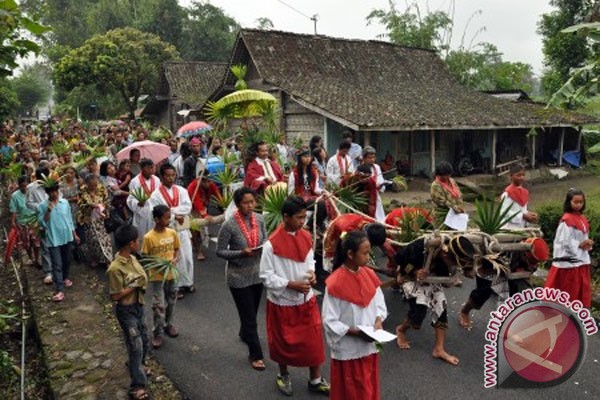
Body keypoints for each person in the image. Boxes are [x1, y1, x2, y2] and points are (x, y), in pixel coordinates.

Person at [259, 196, 330, 396]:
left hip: (306, 299)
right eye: (299, 218)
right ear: (286, 217)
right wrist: (290, 285)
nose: (303, 221)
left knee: (314, 340)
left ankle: (315, 379)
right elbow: (266, 276)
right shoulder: (271, 245)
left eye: (304, 217)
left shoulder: (306, 236)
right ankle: (283, 375)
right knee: (283, 341)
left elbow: (309, 262)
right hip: (282, 302)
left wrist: (312, 274)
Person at [322, 231, 387, 400]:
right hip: (349, 349)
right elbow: (329, 320)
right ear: (350, 254)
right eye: (365, 253)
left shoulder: (369, 274)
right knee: (352, 392)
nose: (368, 257)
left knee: (367, 387)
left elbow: (379, 305)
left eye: (369, 252)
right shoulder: (335, 283)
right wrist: (356, 332)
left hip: (368, 347)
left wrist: (379, 320)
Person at [216, 187, 267, 371]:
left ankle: (245, 333)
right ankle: (255, 354)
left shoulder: (260, 219)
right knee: (249, 316)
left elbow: (266, 240)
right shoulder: (229, 225)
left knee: (251, 312)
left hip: (257, 273)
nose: (250, 206)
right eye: (246, 203)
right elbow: (220, 251)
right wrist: (240, 253)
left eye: (253, 202)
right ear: (238, 205)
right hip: (238, 277)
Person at [393, 238, 462, 366]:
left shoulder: (450, 257)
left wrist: (448, 280)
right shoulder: (420, 246)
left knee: (441, 307)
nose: (451, 263)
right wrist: (414, 271)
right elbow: (399, 258)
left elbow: (447, 276)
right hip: (411, 279)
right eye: (450, 260)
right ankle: (401, 330)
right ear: (444, 253)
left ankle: (439, 349)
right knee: (418, 315)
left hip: (431, 280)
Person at [107, 225, 150, 400]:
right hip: (127, 311)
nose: (138, 242)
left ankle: (137, 365)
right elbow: (116, 295)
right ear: (130, 243)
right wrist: (135, 286)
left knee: (144, 340)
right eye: (136, 240)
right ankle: (137, 386)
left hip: (138, 306)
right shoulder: (115, 269)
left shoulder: (133, 259)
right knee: (136, 345)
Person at [149, 164, 195, 295]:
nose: (171, 178)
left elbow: (187, 207)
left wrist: (171, 211)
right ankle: (176, 286)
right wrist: (175, 215)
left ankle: (188, 282)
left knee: (186, 256)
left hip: (182, 228)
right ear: (162, 177)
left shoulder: (181, 190)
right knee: (173, 258)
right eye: (168, 175)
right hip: (167, 230)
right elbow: (157, 211)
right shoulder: (155, 195)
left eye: (173, 175)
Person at [545, 188, 593, 308]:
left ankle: (577, 312)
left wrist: (587, 244)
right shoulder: (566, 220)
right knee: (568, 290)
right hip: (569, 260)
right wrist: (579, 244)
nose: (578, 205)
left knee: (579, 289)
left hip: (580, 258)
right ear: (569, 202)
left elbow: (583, 236)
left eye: (581, 202)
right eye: (575, 202)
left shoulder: (582, 218)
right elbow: (564, 241)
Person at [142, 205, 181, 349]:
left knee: (172, 300)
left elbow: (176, 249)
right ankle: (157, 331)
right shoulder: (148, 238)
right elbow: (145, 258)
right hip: (157, 277)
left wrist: (175, 259)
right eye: (166, 217)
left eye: (169, 216)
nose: (169, 220)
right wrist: (155, 265)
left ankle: (168, 324)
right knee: (158, 305)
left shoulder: (172, 233)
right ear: (157, 219)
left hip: (172, 274)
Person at [38, 182, 80, 302]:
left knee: (67, 260)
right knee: (57, 264)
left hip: (66, 236)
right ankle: (59, 290)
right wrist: (48, 211)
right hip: (53, 238)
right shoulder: (42, 206)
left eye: (55, 191)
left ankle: (64, 278)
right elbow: (42, 223)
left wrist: (74, 234)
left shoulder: (64, 203)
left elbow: (69, 220)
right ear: (47, 193)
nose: (54, 194)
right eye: (51, 192)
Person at [323, 214, 395, 275]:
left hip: (347, 222)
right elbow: (356, 259)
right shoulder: (348, 232)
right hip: (334, 240)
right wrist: (381, 270)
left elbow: (386, 246)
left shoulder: (373, 227)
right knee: (340, 269)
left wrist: (393, 261)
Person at [77, 174, 112, 267]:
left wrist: (104, 208)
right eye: (91, 186)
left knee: (104, 239)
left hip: (100, 218)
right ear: (87, 184)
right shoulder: (82, 191)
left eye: (95, 185)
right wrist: (91, 205)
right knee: (92, 239)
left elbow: (107, 201)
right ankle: (95, 258)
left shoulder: (102, 189)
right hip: (89, 218)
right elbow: (80, 205)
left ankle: (108, 259)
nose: (94, 187)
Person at [27, 167, 53, 283]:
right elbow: (28, 203)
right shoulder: (31, 188)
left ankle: (58, 269)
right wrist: (40, 207)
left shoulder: (53, 185)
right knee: (44, 245)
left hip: (55, 218)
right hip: (41, 219)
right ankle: (48, 271)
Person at [127, 159, 161, 246]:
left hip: (155, 212)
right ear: (142, 168)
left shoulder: (157, 180)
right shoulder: (135, 181)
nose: (151, 170)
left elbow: (160, 194)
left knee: (155, 235)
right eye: (148, 168)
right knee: (142, 236)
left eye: (152, 167)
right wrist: (138, 204)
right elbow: (131, 199)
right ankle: (142, 255)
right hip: (142, 212)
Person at [187, 175, 220, 261]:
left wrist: (225, 206)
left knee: (202, 229)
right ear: (201, 181)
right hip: (192, 209)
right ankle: (199, 251)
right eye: (207, 182)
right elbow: (197, 201)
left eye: (210, 181)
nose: (209, 184)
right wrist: (205, 215)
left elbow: (218, 194)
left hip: (203, 207)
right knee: (196, 230)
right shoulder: (193, 186)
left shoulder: (211, 184)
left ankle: (197, 245)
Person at [10, 176, 40, 266]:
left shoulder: (33, 193)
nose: (24, 188)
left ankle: (36, 259)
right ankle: (31, 257)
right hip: (22, 222)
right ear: (19, 186)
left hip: (34, 220)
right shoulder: (15, 196)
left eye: (25, 186)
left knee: (36, 242)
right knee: (26, 243)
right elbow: (14, 210)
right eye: (22, 186)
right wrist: (13, 221)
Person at [500, 163, 538, 229]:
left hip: (522, 228)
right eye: (518, 175)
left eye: (523, 175)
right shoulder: (507, 194)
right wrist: (522, 216)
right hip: (509, 229)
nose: (521, 178)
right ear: (511, 176)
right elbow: (504, 213)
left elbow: (522, 210)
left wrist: (529, 215)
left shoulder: (525, 192)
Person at [430, 161, 464, 228]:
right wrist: (454, 207)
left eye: (449, 174)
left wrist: (460, 206)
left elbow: (458, 193)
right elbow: (441, 201)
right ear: (439, 175)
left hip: (456, 214)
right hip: (443, 216)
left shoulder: (452, 181)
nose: (447, 177)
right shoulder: (435, 185)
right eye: (445, 175)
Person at [362, 146, 386, 222]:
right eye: (369, 158)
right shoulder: (361, 168)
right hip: (365, 198)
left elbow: (380, 180)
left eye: (373, 157)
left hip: (376, 195)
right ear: (364, 158)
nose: (372, 160)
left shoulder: (377, 167)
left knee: (379, 217)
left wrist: (381, 185)